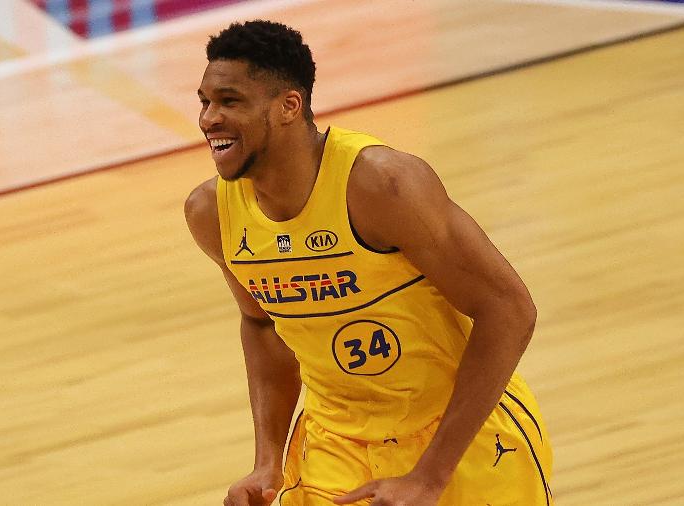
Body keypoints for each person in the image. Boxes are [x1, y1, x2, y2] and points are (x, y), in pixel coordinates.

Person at [184, 20, 553, 506]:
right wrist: (268, 460)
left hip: (463, 439)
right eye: (205, 102)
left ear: (289, 106)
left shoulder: (384, 185)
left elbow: (509, 310)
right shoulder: (211, 212)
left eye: (229, 102)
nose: (209, 118)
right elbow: (261, 324)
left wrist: (429, 477)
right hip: (334, 446)